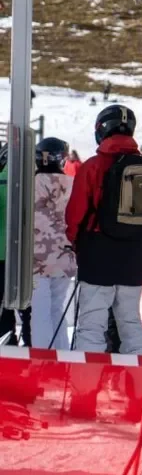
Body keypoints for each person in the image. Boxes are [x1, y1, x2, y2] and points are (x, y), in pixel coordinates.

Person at [65, 104, 142, 354]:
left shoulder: (92, 166)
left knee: (91, 324)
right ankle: (139, 376)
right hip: (135, 255)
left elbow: (75, 214)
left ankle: (88, 376)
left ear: (101, 130)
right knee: (134, 326)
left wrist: (77, 243)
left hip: (97, 254)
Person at [32, 137, 75, 350]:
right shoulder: (72, 184)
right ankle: (62, 355)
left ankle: (42, 358)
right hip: (65, 255)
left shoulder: (29, 184)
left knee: (40, 311)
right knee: (57, 309)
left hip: (36, 257)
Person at [0, 145, 31, 347]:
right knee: (27, 308)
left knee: (4, 305)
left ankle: (8, 341)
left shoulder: (2, 180)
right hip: (26, 255)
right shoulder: (32, 181)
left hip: (1, 253)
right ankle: (31, 343)